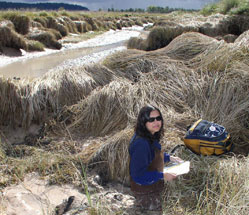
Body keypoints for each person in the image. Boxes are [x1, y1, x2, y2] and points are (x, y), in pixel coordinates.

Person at [129, 105, 183, 214]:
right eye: (151, 119)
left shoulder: (149, 135)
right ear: (143, 122)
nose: (156, 122)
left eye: (158, 118)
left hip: (151, 182)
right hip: (144, 189)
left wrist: (170, 158)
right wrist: (162, 175)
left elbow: (152, 154)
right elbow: (138, 176)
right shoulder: (141, 144)